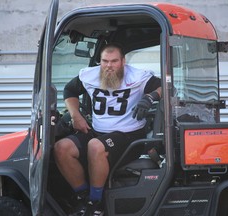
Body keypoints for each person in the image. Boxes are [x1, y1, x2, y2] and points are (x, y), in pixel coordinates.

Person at [54, 43, 162, 216]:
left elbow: (166, 85)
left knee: (95, 146)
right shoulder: (89, 75)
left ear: (123, 61)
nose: (109, 66)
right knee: (61, 148)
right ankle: (83, 198)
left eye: (114, 61)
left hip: (129, 135)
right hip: (98, 131)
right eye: (105, 61)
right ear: (100, 61)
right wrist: (75, 115)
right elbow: (69, 90)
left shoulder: (138, 76)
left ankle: (97, 203)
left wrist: (150, 97)